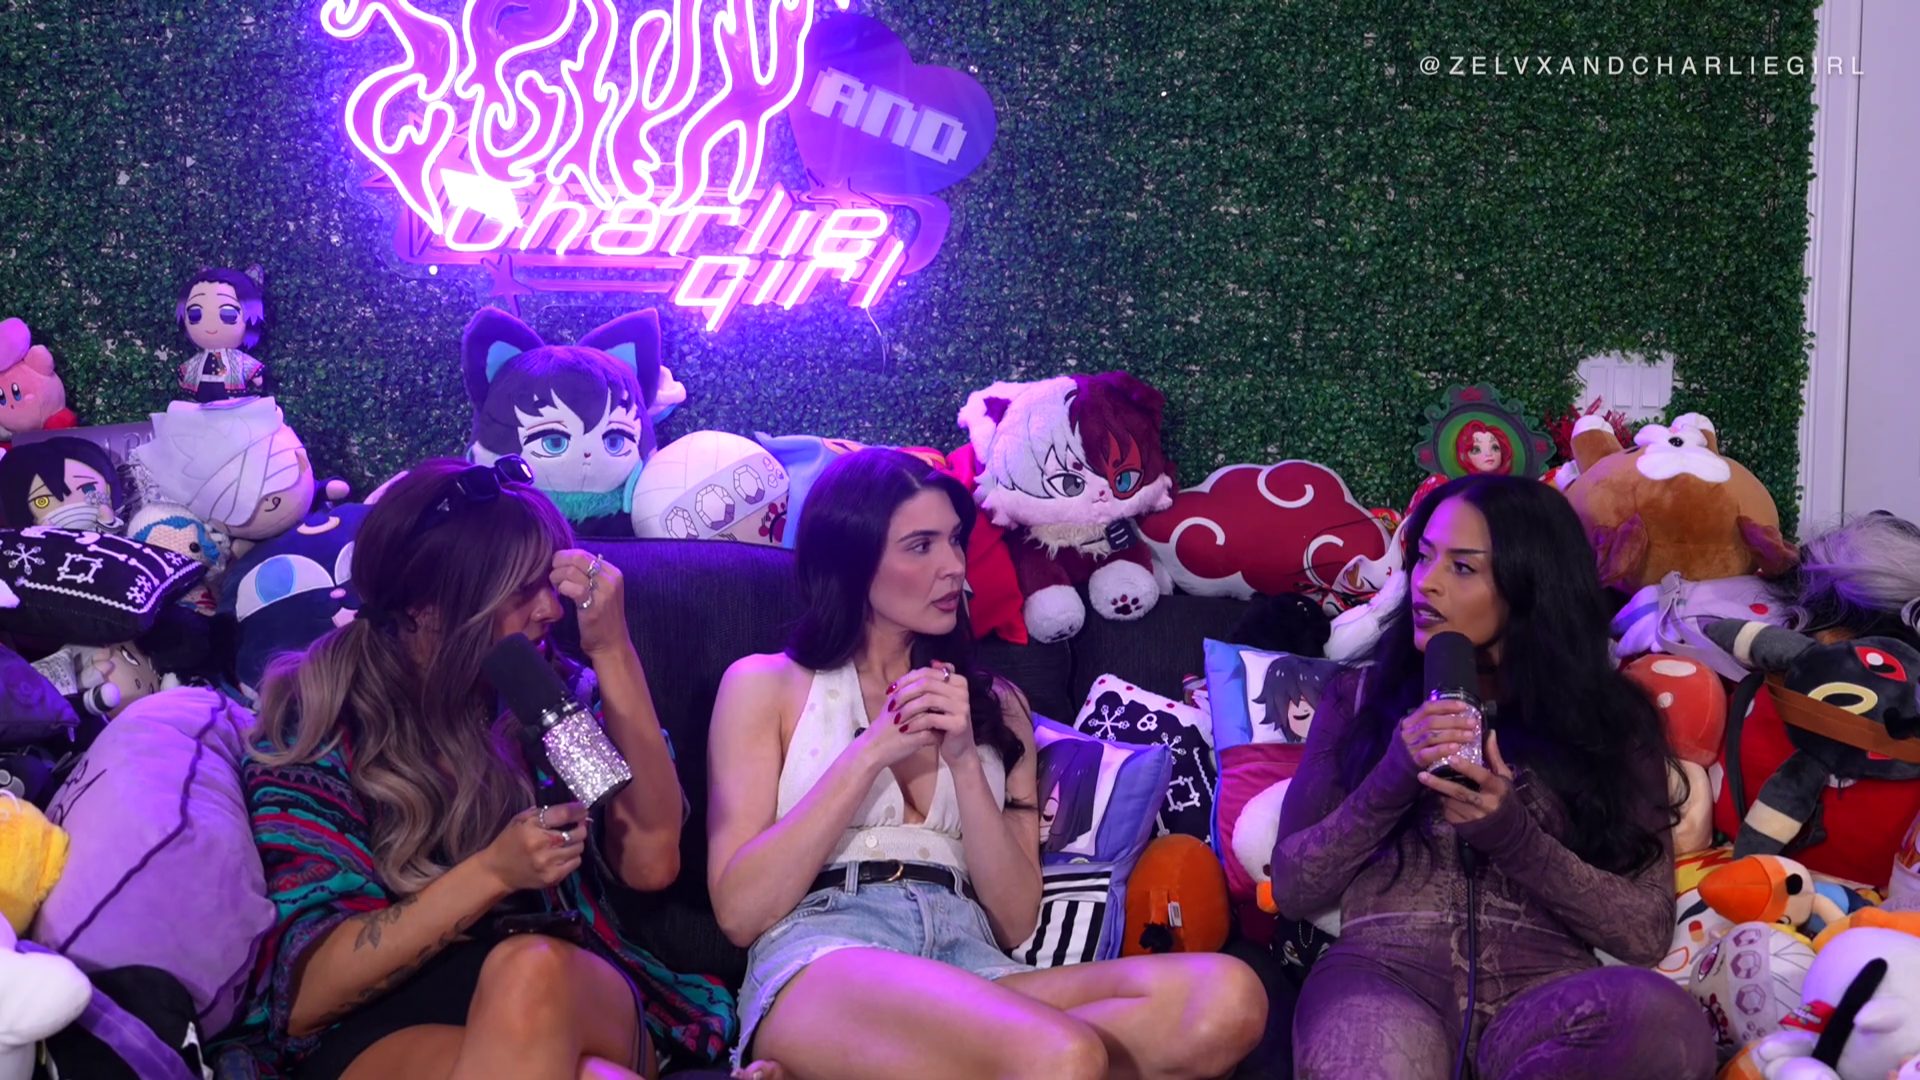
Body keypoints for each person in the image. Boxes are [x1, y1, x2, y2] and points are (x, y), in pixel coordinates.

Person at [706, 448, 1267, 1080]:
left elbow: (1015, 920)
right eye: (921, 546)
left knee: (1228, 999)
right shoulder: (765, 686)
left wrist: (966, 764)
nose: (953, 566)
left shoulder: (999, 705)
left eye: (954, 540)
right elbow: (740, 913)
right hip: (828, 953)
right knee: (1063, 1056)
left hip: (974, 960)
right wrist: (871, 751)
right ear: (851, 562)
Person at [222, 457, 778, 1080]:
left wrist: (612, 648)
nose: (550, 610)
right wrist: (493, 872)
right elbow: (307, 998)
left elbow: (650, 861)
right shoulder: (321, 722)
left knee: (529, 973)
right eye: (520, 592)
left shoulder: (539, 693)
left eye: (549, 582)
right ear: (425, 605)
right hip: (386, 1022)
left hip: (564, 989)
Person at [1271, 474, 1716, 1080]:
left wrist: (1515, 837)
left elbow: (1644, 931)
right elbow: (1293, 886)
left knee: (1666, 1022)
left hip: (1544, 991)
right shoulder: (1357, 697)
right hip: (1384, 974)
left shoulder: (1611, 722)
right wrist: (1391, 778)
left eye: (1462, 567)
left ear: (1531, 586)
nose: (1425, 581)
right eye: (1424, 556)